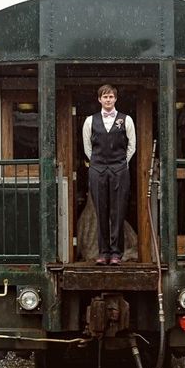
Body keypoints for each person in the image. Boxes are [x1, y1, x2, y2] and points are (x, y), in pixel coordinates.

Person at [82, 84, 136, 265]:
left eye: (111, 96)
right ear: (99, 99)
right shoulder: (90, 121)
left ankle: (115, 254)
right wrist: (98, 163)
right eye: (105, 97)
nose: (108, 100)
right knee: (101, 212)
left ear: (115, 99)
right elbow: (87, 147)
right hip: (97, 170)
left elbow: (132, 146)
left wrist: (121, 163)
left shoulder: (126, 120)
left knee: (118, 211)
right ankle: (103, 253)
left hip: (119, 170)